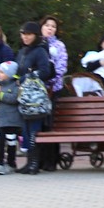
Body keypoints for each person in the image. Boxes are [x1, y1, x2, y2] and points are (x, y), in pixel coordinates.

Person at [15, 21, 56, 175]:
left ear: (36, 35)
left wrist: (27, 76)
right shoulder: (22, 51)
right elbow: (18, 71)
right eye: (23, 34)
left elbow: (46, 72)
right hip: (24, 95)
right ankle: (29, 162)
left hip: (36, 96)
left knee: (34, 129)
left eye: (29, 34)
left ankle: (34, 163)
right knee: (25, 129)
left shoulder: (40, 51)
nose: (25, 37)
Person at [39, 15, 68, 170]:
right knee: (38, 125)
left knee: (50, 125)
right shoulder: (37, 44)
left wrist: (50, 81)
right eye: (47, 25)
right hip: (36, 91)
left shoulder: (59, 46)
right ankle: (39, 159)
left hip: (53, 90)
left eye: (53, 26)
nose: (50, 28)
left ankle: (51, 160)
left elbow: (61, 67)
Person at [0, 60, 23, 174]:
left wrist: (0, 95)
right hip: (0, 120)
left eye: (2, 72)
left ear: (10, 74)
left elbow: (14, 99)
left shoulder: (16, 86)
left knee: (11, 142)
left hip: (12, 121)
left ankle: (11, 163)